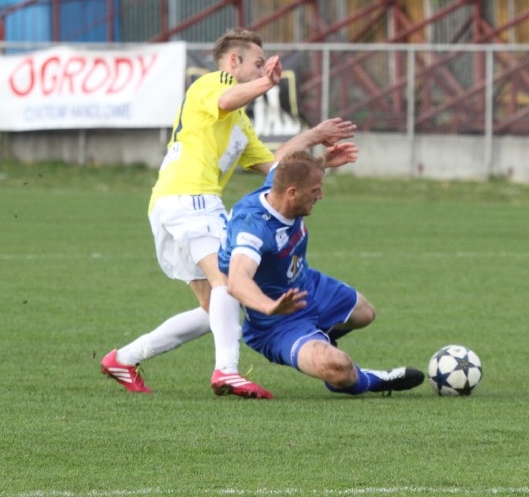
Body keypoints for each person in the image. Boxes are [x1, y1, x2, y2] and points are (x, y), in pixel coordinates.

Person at [101, 28, 356, 399]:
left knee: (213, 309)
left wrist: (316, 144)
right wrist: (267, 83)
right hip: (192, 198)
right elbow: (226, 98)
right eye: (257, 63)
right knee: (229, 282)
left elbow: (276, 167)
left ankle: (122, 359)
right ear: (233, 61)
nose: (261, 70)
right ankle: (227, 371)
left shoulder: (239, 123)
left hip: (173, 203)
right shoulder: (212, 82)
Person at [218, 150, 425, 396]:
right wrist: (269, 306)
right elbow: (237, 281)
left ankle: (322, 341)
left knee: (365, 313)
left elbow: (287, 155)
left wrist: (321, 155)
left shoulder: (278, 182)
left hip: (308, 286)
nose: (321, 195)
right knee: (339, 368)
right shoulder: (254, 229)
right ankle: (370, 380)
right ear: (292, 193)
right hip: (278, 323)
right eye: (315, 190)